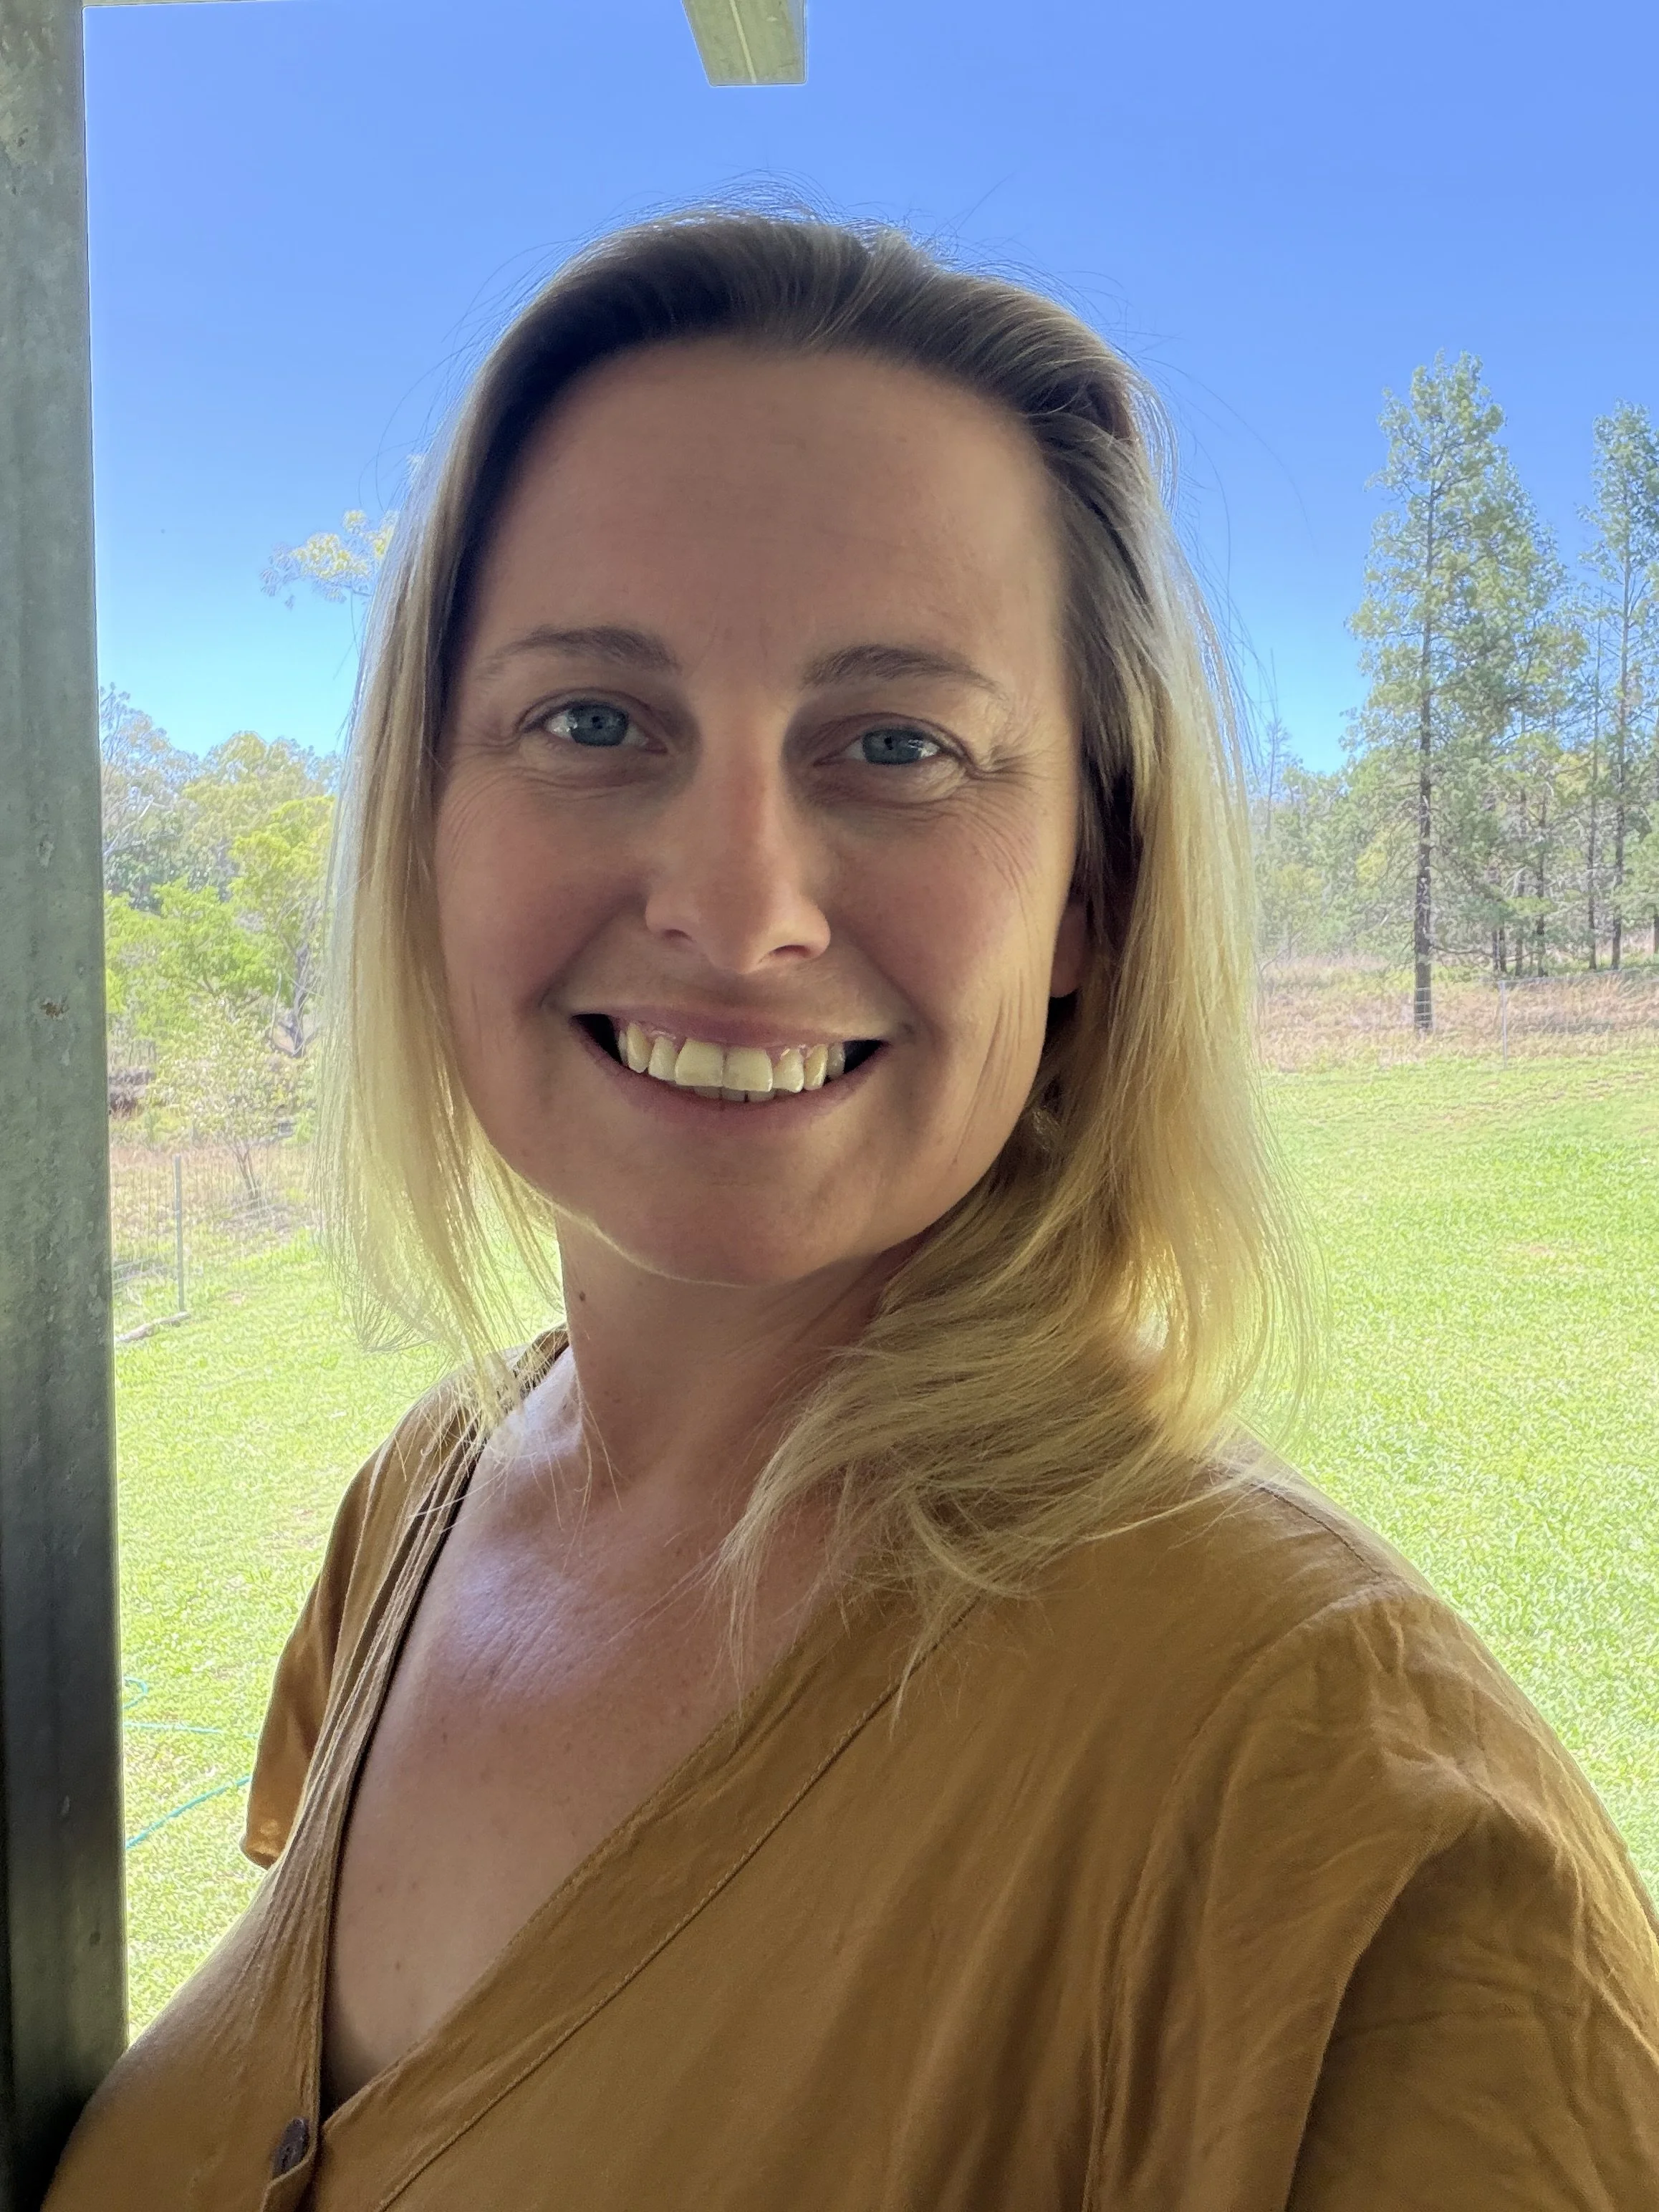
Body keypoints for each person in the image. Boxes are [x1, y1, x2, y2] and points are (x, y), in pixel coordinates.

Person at [48, 210, 1659, 2211]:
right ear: (427, 829)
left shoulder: (1331, 1805)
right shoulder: (422, 1508)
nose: (734, 909)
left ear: (1090, 892)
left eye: (896, 747)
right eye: (592, 722)